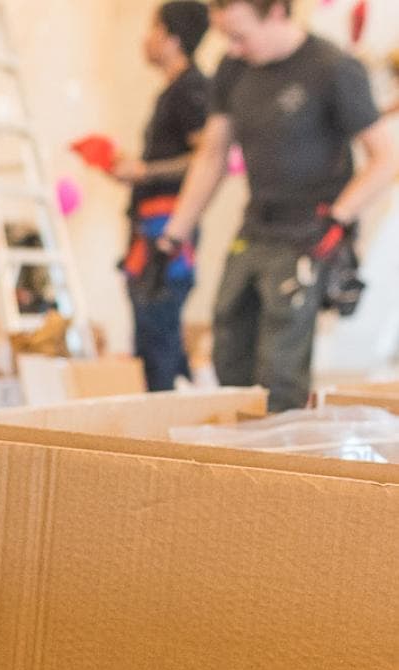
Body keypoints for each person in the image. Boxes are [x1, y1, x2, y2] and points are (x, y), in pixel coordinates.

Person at [158, 0, 397, 411]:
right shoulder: (234, 69)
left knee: (280, 368)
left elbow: (387, 157)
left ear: (277, 14)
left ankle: (277, 468)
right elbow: (212, 154)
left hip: (308, 235)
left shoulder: (333, 68)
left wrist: (338, 219)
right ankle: (240, 458)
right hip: (254, 230)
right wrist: (173, 234)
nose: (232, 48)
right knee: (228, 348)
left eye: (239, 35)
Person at [101, 1, 212, 391]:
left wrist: (145, 171)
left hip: (167, 230)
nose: (145, 40)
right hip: (150, 224)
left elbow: (207, 158)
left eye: (153, 29)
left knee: (157, 333)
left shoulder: (191, 89)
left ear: (173, 38)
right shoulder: (174, 91)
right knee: (153, 336)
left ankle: (161, 440)